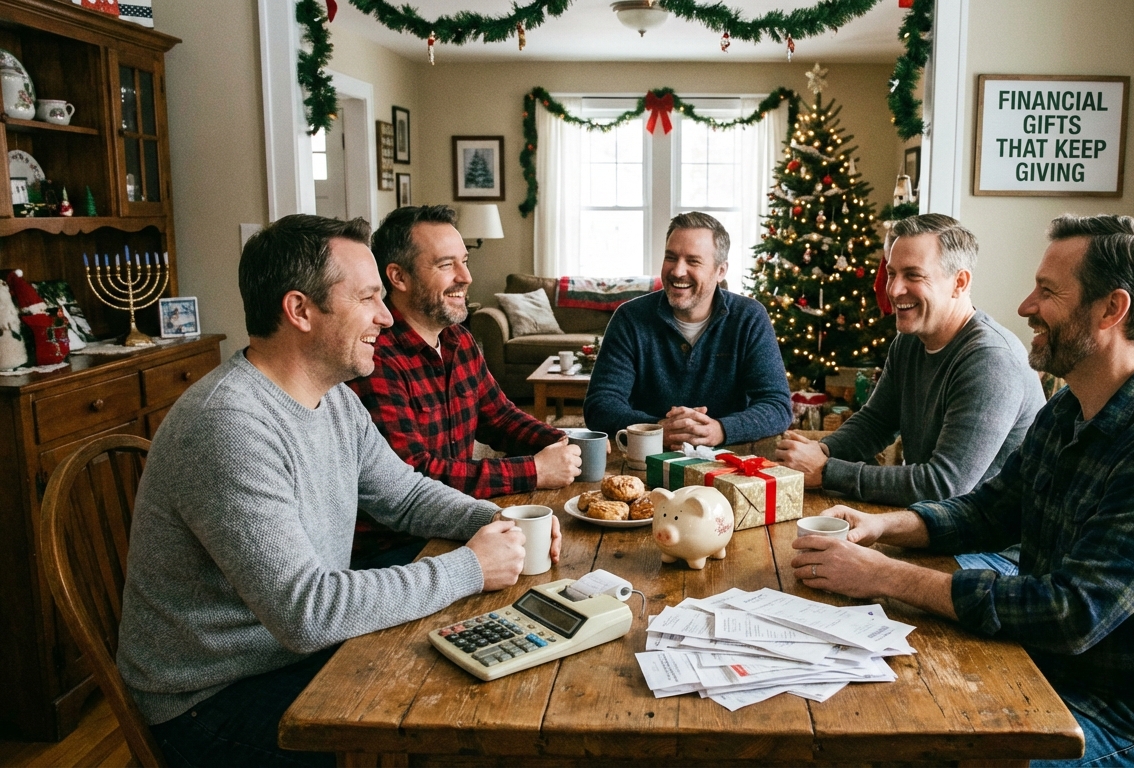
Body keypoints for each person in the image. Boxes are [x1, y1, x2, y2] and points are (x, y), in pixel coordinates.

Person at [791, 214, 1134, 767]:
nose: (1025, 306)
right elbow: (990, 511)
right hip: (1048, 667)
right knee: (869, 696)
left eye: (1048, 292)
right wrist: (883, 528)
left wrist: (884, 574)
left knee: (907, 743)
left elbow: (1072, 613)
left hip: (1129, 724)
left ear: (1111, 310)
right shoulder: (1070, 408)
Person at [116, 214, 559, 768]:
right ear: (300, 310)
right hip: (212, 701)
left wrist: (494, 520)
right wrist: (470, 567)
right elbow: (309, 611)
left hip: (292, 654)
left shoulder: (333, 398)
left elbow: (404, 495)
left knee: (480, 684)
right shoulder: (228, 426)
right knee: (447, 729)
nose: (383, 317)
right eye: (368, 298)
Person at [348, 206, 579, 552]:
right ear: (398, 277)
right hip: (399, 548)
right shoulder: (375, 357)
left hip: (461, 520)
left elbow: (499, 417)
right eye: (446, 265)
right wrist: (533, 470)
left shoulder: (458, 339)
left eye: (465, 261)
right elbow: (415, 478)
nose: (466, 277)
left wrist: (562, 440)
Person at [776, 214, 1043, 507]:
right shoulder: (910, 340)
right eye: (892, 273)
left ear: (959, 282)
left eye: (913, 275)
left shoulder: (992, 360)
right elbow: (876, 422)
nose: (893, 289)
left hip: (989, 548)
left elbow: (944, 485)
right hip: (933, 523)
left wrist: (826, 471)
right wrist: (821, 452)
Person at [584, 211, 792, 449]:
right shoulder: (630, 318)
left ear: (721, 271)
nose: (677, 271)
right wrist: (657, 429)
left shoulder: (749, 317)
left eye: (693, 261)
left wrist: (720, 429)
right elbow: (600, 406)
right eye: (670, 257)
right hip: (645, 458)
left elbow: (777, 405)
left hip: (730, 459)